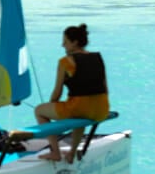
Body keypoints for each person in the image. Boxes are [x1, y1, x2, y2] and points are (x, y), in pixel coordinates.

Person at [34, 24, 110, 161]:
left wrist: (51, 106)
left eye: (65, 42)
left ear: (75, 43)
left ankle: (55, 152)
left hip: (79, 108)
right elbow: (105, 87)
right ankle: (72, 153)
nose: (62, 45)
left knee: (39, 110)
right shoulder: (98, 57)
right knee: (79, 116)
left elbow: (57, 92)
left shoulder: (65, 62)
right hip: (101, 109)